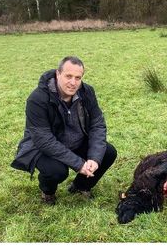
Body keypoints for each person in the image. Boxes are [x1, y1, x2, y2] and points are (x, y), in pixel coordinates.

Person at [11, 56, 117, 205]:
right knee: (56, 171)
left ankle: (80, 186)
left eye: (78, 78)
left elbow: (97, 124)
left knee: (107, 152)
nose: (73, 82)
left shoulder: (87, 92)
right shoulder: (37, 99)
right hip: (44, 148)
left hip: (76, 141)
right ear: (58, 74)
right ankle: (47, 191)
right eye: (68, 76)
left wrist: (94, 157)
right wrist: (78, 163)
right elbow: (43, 140)